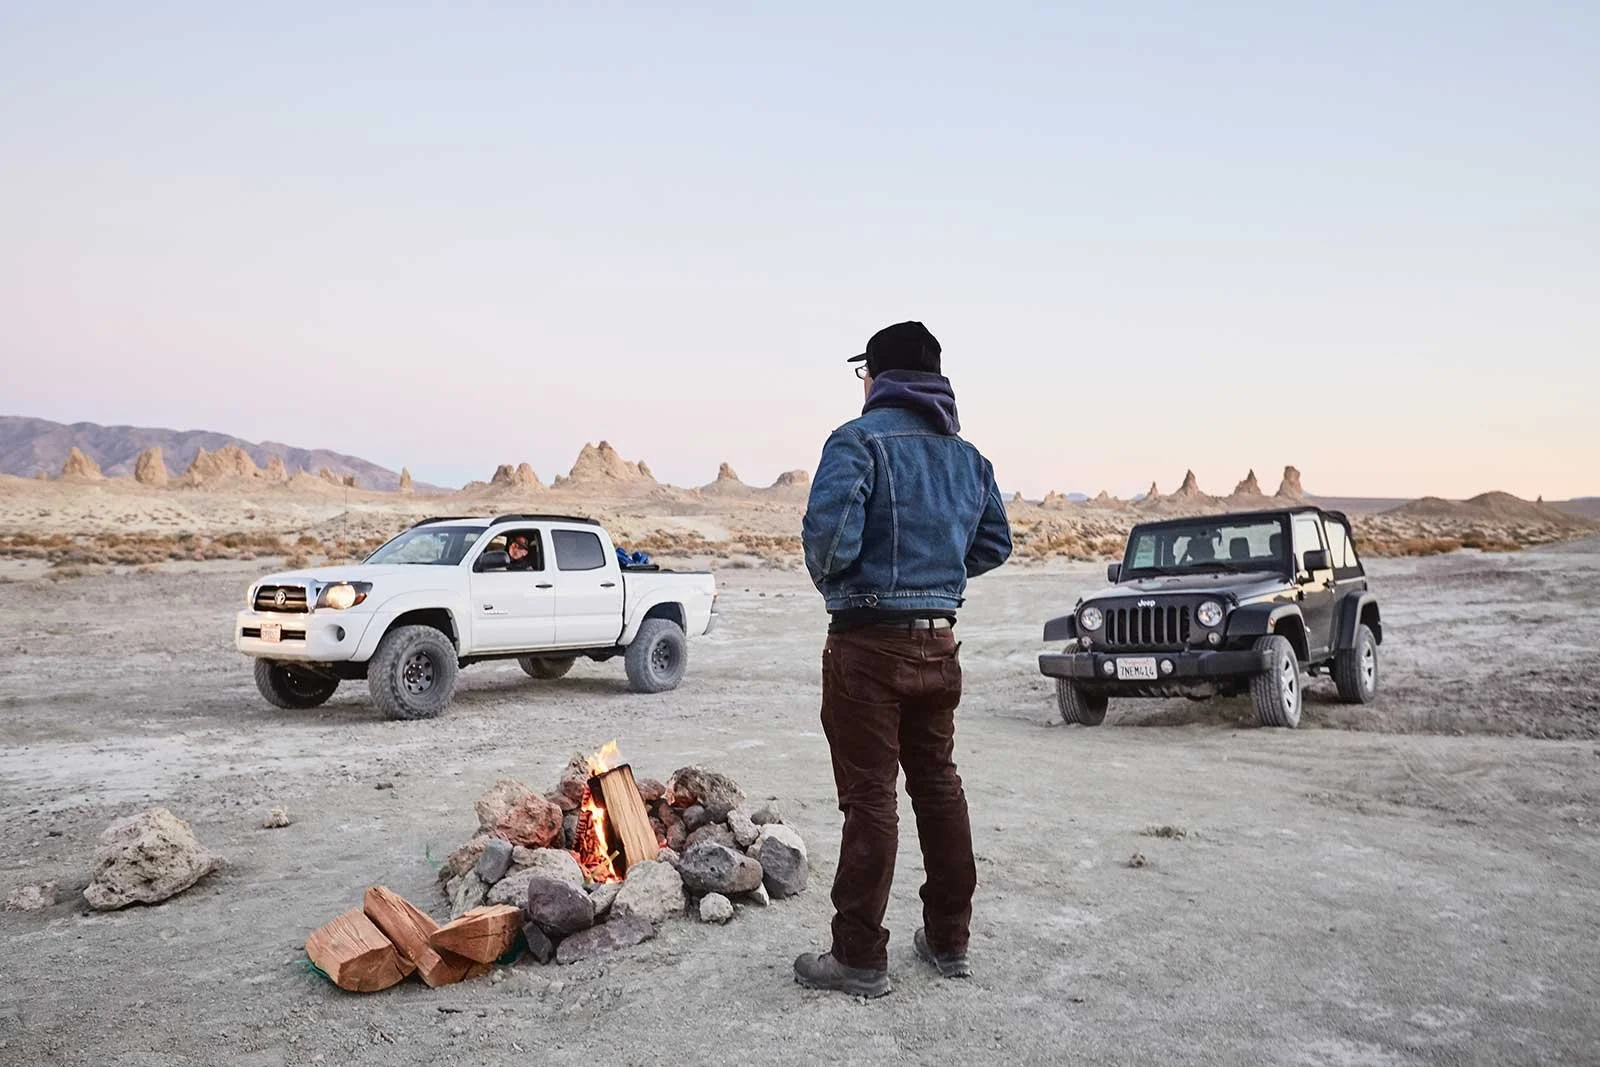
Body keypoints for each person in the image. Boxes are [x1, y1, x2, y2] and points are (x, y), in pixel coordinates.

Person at [795, 320, 1012, 998]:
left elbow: (828, 539)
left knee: (870, 797)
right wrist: (938, 578)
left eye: (864, 370)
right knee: (939, 786)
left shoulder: (856, 441)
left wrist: (853, 589)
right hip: (938, 641)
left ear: (880, 375)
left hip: (867, 644)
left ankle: (859, 955)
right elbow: (995, 543)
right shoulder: (968, 457)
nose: (860, 381)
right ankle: (950, 939)